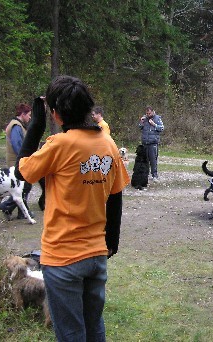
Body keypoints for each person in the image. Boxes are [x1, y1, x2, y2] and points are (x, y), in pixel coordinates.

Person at [14, 75, 130, 341]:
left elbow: (22, 172)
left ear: (56, 114)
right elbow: (115, 196)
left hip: (63, 258)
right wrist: (112, 240)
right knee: (94, 326)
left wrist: (35, 126)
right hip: (96, 256)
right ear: (89, 108)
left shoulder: (60, 145)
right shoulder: (108, 144)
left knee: (70, 333)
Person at [0, 103, 34, 220]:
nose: (30, 118)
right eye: (29, 115)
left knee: (23, 186)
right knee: (25, 186)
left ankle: (21, 212)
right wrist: (24, 158)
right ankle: (6, 206)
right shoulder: (16, 126)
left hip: (18, 160)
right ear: (23, 114)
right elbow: (17, 144)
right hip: (17, 161)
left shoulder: (18, 125)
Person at [139, 105, 164, 181]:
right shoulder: (144, 118)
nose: (148, 115)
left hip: (153, 143)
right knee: (144, 160)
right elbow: (140, 127)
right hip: (145, 142)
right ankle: (145, 175)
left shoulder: (157, 118)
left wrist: (154, 124)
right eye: (147, 113)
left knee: (153, 160)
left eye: (149, 113)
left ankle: (154, 175)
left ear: (153, 112)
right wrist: (141, 122)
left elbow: (162, 128)